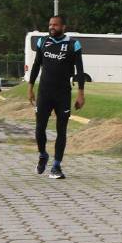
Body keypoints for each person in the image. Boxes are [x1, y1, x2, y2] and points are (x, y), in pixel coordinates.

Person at [28, 15, 85, 179]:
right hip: (44, 93)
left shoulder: (73, 44)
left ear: (63, 27)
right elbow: (36, 65)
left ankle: (56, 166)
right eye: (50, 24)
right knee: (40, 128)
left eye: (55, 25)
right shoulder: (43, 42)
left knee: (62, 130)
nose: (52, 27)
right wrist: (30, 87)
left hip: (63, 94)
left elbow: (80, 71)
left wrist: (81, 94)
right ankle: (42, 154)